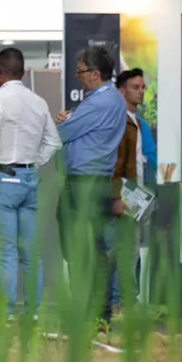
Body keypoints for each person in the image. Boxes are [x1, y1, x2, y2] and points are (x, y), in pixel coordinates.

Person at [0, 47, 60, 310]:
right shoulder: (38, 102)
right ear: (24, 72)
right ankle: (33, 313)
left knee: (5, 253)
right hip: (29, 181)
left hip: (4, 178)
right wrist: (33, 164)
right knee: (31, 254)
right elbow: (53, 142)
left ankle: (6, 314)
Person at [56, 45, 128, 320]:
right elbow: (72, 126)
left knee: (87, 247)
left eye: (81, 71)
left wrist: (66, 121)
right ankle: (93, 310)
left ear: (96, 73)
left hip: (85, 183)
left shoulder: (101, 101)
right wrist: (70, 118)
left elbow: (62, 133)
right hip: (89, 181)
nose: (78, 76)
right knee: (86, 246)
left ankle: (94, 311)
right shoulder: (102, 99)